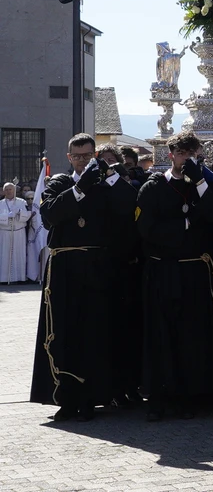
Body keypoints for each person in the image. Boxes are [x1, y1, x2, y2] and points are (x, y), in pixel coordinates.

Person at [30, 133, 136, 421]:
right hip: (63, 268)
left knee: (94, 333)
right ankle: (65, 397)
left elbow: (129, 205)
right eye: (77, 156)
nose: (82, 160)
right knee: (63, 331)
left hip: (97, 267)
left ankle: (91, 397)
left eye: (87, 155)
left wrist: (110, 175)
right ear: (69, 157)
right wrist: (79, 189)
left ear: (95, 155)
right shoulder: (61, 183)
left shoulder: (105, 183)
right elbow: (48, 214)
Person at [137, 132, 213, 421]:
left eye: (191, 153)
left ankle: (189, 396)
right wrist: (185, 223)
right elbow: (146, 229)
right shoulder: (153, 187)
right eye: (181, 153)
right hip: (164, 270)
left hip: (194, 272)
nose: (186, 159)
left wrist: (200, 181)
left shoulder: (203, 185)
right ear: (171, 154)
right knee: (161, 335)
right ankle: (159, 396)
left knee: (192, 335)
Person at [96, 143, 143, 407]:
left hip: (129, 265)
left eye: (112, 160)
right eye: (102, 161)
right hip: (103, 267)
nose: (107, 165)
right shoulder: (94, 189)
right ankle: (110, 388)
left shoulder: (128, 187)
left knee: (130, 331)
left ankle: (131, 386)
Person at [0, 182, 30, 284]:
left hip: (18, 232)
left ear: (14, 190)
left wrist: (20, 212)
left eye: (10, 189)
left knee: (19, 254)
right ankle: (4, 278)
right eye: (7, 190)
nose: (9, 192)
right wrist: (6, 216)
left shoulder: (22, 202)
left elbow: (28, 215)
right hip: (5, 232)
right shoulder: (0, 203)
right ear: (4, 191)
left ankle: (19, 277)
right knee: (4, 255)